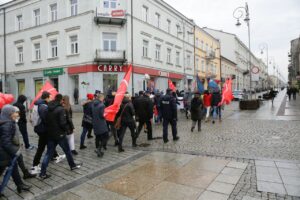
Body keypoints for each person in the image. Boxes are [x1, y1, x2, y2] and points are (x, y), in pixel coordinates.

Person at [39, 94, 82, 179]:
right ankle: (72, 165)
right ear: (61, 100)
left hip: (50, 134)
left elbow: (45, 120)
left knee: (48, 153)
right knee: (67, 151)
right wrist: (67, 130)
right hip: (60, 134)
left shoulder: (48, 108)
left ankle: (42, 173)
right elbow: (63, 123)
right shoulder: (61, 109)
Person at [0, 105, 31, 195]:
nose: (16, 114)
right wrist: (15, 151)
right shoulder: (7, 124)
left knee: (14, 167)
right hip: (3, 153)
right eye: (14, 112)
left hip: (5, 153)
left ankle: (20, 185)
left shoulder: (6, 121)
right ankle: (19, 185)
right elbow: (6, 143)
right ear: (9, 114)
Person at [31, 92, 64, 175]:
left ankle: (55, 156)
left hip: (40, 128)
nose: (51, 98)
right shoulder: (43, 106)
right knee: (41, 147)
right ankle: (35, 165)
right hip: (43, 129)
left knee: (49, 144)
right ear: (46, 97)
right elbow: (46, 119)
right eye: (50, 97)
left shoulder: (40, 104)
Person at [13, 107, 36, 180]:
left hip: (14, 147)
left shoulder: (13, 122)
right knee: (12, 166)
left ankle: (24, 175)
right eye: (16, 113)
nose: (18, 114)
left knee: (19, 159)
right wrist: (16, 145)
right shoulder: (8, 124)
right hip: (10, 149)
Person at [92, 93, 109, 157]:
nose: (103, 99)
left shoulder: (93, 104)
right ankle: (99, 149)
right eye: (103, 98)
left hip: (95, 123)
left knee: (98, 137)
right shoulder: (102, 105)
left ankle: (97, 149)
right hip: (101, 124)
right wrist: (106, 114)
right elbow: (102, 115)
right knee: (106, 136)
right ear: (101, 98)